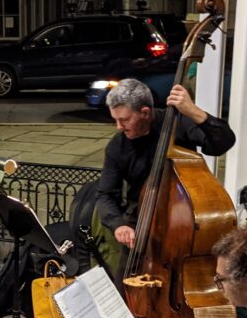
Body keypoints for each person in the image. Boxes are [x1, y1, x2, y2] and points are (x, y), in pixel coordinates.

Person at [93, 78, 236, 274]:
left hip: (182, 225)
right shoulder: (118, 146)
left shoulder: (177, 123)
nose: (118, 126)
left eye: (124, 120)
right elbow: (106, 195)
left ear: (145, 112)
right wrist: (118, 225)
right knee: (124, 284)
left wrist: (193, 111)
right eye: (115, 120)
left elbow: (222, 143)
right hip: (140, 226)